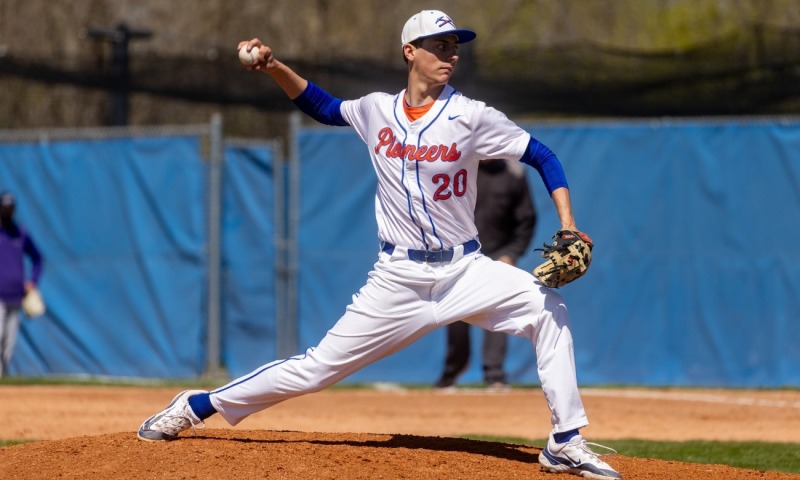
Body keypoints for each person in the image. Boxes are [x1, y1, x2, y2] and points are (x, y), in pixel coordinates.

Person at [137, 10, 621, 479]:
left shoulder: (472, 116)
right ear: (410, 51)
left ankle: (565, 441)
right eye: (440, 45)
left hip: (465, 270)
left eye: (454, 46)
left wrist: (569, 223)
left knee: (549, 308)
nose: (451, 54)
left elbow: (542, 155)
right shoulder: (377, 110)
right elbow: (324, 107)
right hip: (399, 278)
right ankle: (197, 405)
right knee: (316, 370)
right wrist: (274, 66)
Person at [434, 158, 536, 391]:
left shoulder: (514, 172)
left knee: (497, 315)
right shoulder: (458, 166)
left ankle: (495, 375)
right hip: (461, 253)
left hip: (498, 254)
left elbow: (526, 218)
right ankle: (451, 374)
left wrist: (512, 254)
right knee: (455, 314)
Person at [0, 191, 44, 377]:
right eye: (4, 208)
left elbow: (38, 258)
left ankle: (3, 380)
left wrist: (32, 282)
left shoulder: (20, 233)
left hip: (16, 297)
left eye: (10, 208)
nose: (7, 211)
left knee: (9, 343)